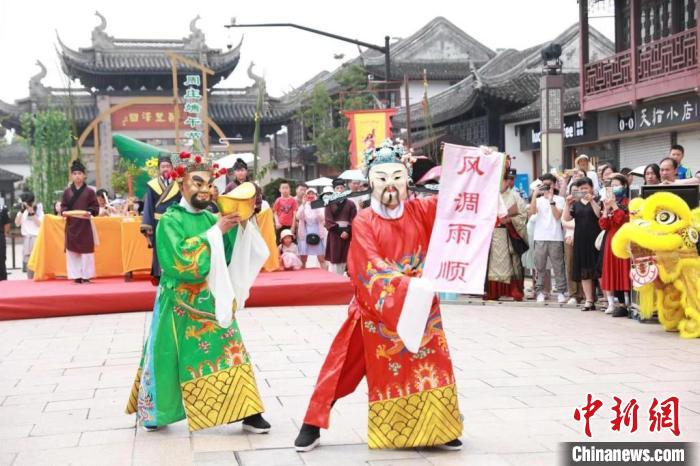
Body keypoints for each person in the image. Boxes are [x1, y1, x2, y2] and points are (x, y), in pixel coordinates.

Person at [294, 140, 463, 452]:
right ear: (370, 182)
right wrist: (407, 286)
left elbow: (461, 206)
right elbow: (369, 264)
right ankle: (313, 422)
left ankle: (437, 427)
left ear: (407, 181)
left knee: (429, 365)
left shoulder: (421, 209)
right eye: (382, 178)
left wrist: (483, 170)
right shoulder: (365, 220)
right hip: (377, 306)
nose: (390, 185)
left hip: (421, 303)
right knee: (341, 366)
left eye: (397, 177)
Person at [125, 151, 271, 434]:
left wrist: (239, 225)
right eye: (198, 183)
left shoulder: (208, 218)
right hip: (179, 300)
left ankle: (248, 410)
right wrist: (216, 231)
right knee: (167, 354)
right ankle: (158, 410)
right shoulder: (170, 220)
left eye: (209, 184)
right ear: (181, 184)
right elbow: (178, 260)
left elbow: (226, 255)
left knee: (231, 349)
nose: (205, 190)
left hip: (211, 298)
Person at [486, 169, 528, 301]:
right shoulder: (490, 195)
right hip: (493, 234)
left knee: (511, 262)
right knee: (493, 263)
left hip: (508, 234)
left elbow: (522, 215)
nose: (504, 183)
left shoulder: (514, 195)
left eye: (504, 181)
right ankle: (493, 291)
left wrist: (509, 220)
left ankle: (513, 290)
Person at [140, 155, 181, 284]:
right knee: (160, 247)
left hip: (174, 221)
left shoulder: (178, 184)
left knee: (174, 245)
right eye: (163, 166)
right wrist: (148, 225)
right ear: (159, 169)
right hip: (158, 222)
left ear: (172, 168)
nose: (166, 169)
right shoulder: (152, 185)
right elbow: (148, 206)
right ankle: (159, 272)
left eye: (168, 166)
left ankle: (176, 270)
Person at [527, 173, 567, 303]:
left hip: (556, 237)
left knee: (558, 266)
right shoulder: (538, 200)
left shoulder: (559, 199)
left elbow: (557, 216)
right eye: (545, 185)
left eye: (550, 184)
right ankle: (540, 292)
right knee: (540, 266)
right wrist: (535, 193)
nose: (548, 187)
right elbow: (532, 212)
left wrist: (551, 200)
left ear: (554, 185)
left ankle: (561, 291)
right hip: (540, 237)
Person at [563, 178, 601, 311]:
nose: (583, 190)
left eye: (586, 188)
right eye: (581, 189)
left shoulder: (598, 200)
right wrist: (567, 205)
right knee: (584, 271)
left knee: (599, 270)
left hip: (596, 240)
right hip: (580, 239)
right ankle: (589, 300)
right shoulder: (576, 203)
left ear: (591, 188)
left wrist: (591, 201)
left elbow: (599, 215)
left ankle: (607, 300)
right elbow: (567, 218)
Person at [60, 160, 99, 284]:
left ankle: (86, 276)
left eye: (80, 173)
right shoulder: (67, 192)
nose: (77, 176)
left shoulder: (90, 192)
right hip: (72, 225)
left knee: (86, 252)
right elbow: (64, 206)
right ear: (71, 176)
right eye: (75, 173)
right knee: (72, 252)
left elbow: (95, 207)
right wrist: (64, 212)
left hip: (85, 224)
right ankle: (76, 275)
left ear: (84, 175)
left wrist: (90, 212)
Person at [599, 174, 631, 317]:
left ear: (624, 186)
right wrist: (606, 209)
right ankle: (611, 302)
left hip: (623, 240)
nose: (614, 188)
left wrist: (613, 205)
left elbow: (622, 220)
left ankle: (627, 302)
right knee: (610, 270)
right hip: (610, 240)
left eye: (617, 185)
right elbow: (603, 225)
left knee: (624, 270)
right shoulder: (607, 203)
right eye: (612, 185)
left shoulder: (628, 202)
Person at [324, 179, 357, 275]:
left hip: (348, 232)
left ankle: (345, 276)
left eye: (341, 188)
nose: (339, 189)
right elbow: (328, 220)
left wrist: (347, 231)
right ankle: (335, 279)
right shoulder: (329, 203)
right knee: (335, 257)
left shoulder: (351, 203)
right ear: (334, 190)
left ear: (344, 189)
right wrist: (339, 232)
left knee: (346, 256)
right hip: (335, 232)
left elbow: (354, 219)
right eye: (337, 188)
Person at [295, 188, 327, 269]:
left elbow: (322, 218)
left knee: (321, 258)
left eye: (313, 194)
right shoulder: (304, 205)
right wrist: (303, 204)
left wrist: (315, 206)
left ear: (316, 196)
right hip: (305, 232)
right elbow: (298, 217)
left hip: (318, 231)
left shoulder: (320, 205)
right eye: (309, 194)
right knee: (303, 259)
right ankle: (303, 279)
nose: (311, 195)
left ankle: (326, 276)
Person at [14, 193, 43, 279]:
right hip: (27, 238)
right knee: (28, 261)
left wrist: (33, 214)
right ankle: (30, 279)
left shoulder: (39, 211)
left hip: (36, 238)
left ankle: (38, 278)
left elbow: (40, 225)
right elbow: (17, 223)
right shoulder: (22, 211)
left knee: (37, 260)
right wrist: (22, 211)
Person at [0, 198, 9, 281]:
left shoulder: (2, 209)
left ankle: (3, 278)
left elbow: (6, 223)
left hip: (0, 236)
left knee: (1, 258)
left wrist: (5, 233)